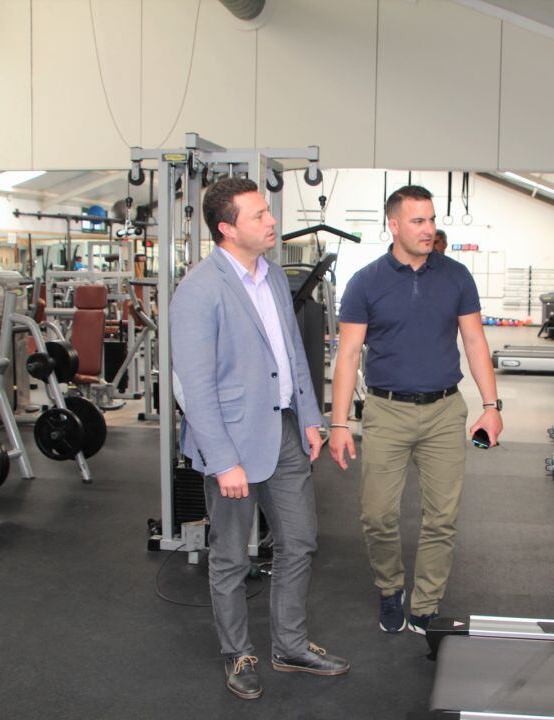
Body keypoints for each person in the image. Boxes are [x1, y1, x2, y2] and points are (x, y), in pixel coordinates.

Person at [169, 177, 349, 701]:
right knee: (230, 557)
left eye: (268, 212)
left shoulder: (270, 276)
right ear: (227, 228)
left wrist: (311, 418)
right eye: (257, 216)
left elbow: (293, 352)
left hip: (286, 432)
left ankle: (289, 645)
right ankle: (238, 652)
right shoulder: (199, 290)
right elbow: (195, 388)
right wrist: (223, 462)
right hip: (231, 445)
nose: (271, 222)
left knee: (300, 542)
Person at [328, 185, 503, 635]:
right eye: (418, 221)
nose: (429, 230)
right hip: (387, 412)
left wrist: (491, 405)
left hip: (445, 410)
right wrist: (339, 422)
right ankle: (390, 589)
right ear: (393, 225)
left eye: (431, 220)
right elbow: (347, 356)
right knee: (377, 515)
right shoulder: (366, 282)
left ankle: (426, 603)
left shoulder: (457, 276)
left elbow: (475, 342)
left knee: (441, 517)